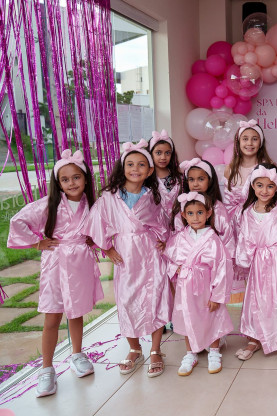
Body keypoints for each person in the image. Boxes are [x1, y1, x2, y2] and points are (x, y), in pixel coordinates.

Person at [8, 149, 103, 397]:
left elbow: (99, 227)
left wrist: (91, 240)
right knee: (52, 316)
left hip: (79, 264)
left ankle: (77, 354)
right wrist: (36, 242)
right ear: (58, 183)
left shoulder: (91, 205)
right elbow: (18, 221)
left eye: (76, 177)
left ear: (86, 179)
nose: (71, 183)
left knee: (76, 312)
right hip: (56, 264)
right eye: (65, 179)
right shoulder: (50, 204)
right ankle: (46, 369)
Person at [83, 139, 171, 377]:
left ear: (150, 170)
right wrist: (107, 248)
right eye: (130, 164)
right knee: (127, 299)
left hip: (151, 253)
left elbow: (164, 223)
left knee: (156, 296)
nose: (135, 169)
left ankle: (155, 350)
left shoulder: (153, 196)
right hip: (125, 254)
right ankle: (134, 348)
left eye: (141, 165)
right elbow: (94, 224)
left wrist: (164, 240)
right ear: (122, 168)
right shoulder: (109, 197)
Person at [235, 164, 277, 363]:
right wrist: (245, 260)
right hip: (259, 262)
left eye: (270, 186)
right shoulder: (246, 212)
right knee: (258, 299)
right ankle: (255, 338)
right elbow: (245, 238)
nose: (264, 190)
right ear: (252, 186)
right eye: (260, 185)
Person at [163, 192, 233, 375]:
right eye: (191, 213)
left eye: (200, 213)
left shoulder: (213, 239)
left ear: (208, 213)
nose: (196, 217)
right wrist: (176, 268)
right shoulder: (179, 238)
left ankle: (214, 351)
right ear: (184, 215)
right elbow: (170, 259)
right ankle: (190, 353)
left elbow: (223, 267)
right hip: (185, 287)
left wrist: (217, 295)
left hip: (207, 285)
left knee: (212, 316)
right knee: (187, 318)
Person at [224, 120, 274, 293]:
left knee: (260, 267)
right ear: (238, 142)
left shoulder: (267, 166)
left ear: (261, 142)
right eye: (245, 139)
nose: (249, 143)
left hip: (258, 224)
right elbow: (227, 201)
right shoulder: (230, 169)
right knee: (241, 264)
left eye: (254, 139)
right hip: (236, 225)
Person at [149, 129, 181, 218]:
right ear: (150, 154)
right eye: (158, 153)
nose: (163, 157)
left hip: (177, 221)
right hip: (155, 222)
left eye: (167, 153)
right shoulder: (146, 178)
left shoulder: (178, 177)